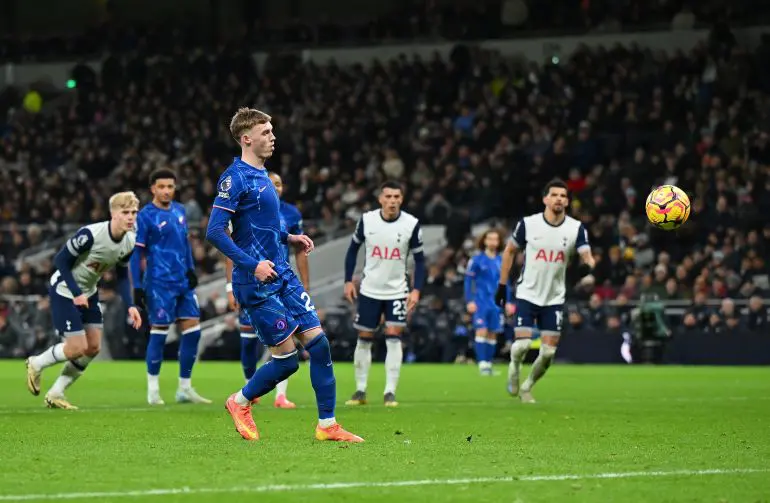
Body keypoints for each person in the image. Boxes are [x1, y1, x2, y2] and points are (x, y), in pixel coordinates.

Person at [206, 107, 362, 442]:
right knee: (288, 362)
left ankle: (327, 425)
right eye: (265, 132)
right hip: (256, 282)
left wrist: (287, 237)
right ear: (246, 138)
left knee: (319, 345)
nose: (273, 137)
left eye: (272, 131)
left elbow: (258, 227)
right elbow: (216, 232)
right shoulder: (234, 179)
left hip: (283, 274)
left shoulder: (263, 175)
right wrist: (252, 265)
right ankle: (239, 401)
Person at [25, 192, 143, 409]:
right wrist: (76, 292)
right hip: (64, 290)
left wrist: (131, 305)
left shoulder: (130, 240)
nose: (130, 217)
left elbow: (122, 276)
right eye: (125, 212)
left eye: (133, 212)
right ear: (113, 213)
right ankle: (36, 363)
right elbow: (60, 260)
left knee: (94, 347)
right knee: (76, 348)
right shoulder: (91, 235)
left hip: (88, 292)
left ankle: (56, 393)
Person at [496, 179, 595, 403]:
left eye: (563, 195)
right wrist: (502, 285)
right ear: (545, 199)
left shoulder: (575, 228)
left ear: (567, 201)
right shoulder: (529, 224)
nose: (559, 198)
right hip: (527, 292)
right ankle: (514, 368)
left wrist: (588, 264)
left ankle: (528, 386)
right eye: (555, 195)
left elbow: (586, 254)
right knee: (521, 345)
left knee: (548, 353)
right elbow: (510, 250)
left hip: (554, 297)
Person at [223, 171, 308, 409]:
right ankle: (250, 387)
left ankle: (280, 395)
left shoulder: (291, 213)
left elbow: (300, 251)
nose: (276, 187)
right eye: (272, 183)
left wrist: (304, 285)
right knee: (249, 341)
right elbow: (229, 250)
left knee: (288, 340)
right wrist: (230, 287)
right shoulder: (246, 210)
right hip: (251, 283)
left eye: (279, 184)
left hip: (281, 283)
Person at [130, 169, 210, 406]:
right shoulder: (145, 216)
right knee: (160, 331)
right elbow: (137, 253)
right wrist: (137, 286)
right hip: (158, 283)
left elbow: (185, 244)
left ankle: (184, 388)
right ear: (152, 188)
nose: (166, 191)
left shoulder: (180, 210)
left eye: (170, 186)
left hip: (182, 281)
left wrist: (191, 270)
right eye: (161, 186)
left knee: (193, 330)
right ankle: (153, 390)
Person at [343, 181, 426, 407]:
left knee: (393, 337)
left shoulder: (411, 224)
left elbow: (420, 260)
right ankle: (360, 390)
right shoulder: (367, 220)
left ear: (402, 199)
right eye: (388, 196)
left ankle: (390, 392)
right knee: (364, 338)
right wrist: (348, 280)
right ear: (380, 199)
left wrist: (416, 289)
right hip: (370, 290)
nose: (392, 201)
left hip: (397, 291)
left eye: (396, 197)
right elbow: (352, 251)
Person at [464, 229, 514, 376]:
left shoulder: (502, 261)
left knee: (493, 333)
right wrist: (470, 300)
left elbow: (506, 283)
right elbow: (468, 281)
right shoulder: (476, 260)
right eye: (489, 239)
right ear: (484, 241)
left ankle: (488, 364)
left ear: (499, 242)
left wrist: (508, 302)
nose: (492, 242)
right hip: (481, 302)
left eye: (495, 239)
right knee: (481, 330)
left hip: (496, 303)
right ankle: (482, 364)